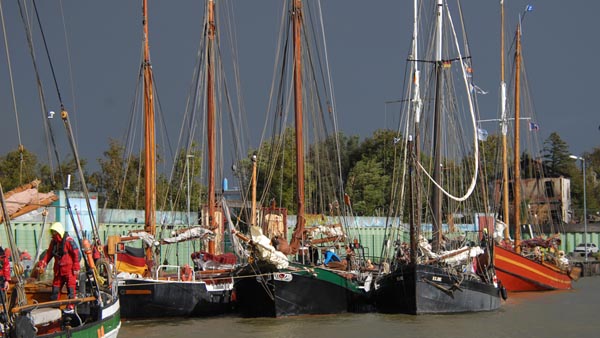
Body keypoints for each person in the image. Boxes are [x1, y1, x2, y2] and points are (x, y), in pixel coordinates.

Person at [36, 222, 80, 311]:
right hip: (58, 271)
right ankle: (54, 306)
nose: (53, 234)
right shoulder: (54, 243)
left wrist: (76, 266)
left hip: (69, 270)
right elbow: (48, 254)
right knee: (55, 288)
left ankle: (71, 306)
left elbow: (76, 253)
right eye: (52, 232)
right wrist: (43, 263)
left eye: (54, 232)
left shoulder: (68, 241)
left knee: (71, 288)